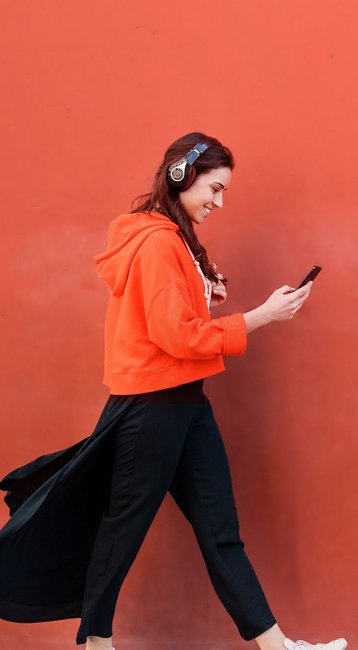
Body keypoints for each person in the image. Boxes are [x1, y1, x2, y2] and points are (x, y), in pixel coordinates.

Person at [0, 132, 347, 650]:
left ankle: (280, 648)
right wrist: (260, 317)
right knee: (121, 530)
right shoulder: (161, 242)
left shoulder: (174, 241)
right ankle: (98, 643)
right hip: (152, 408)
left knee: (219, 531)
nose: (219, 201)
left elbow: (174, 323)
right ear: (182, 176)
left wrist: (206, 292)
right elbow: (177, 336)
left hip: (185, 403)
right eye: (215, 187)